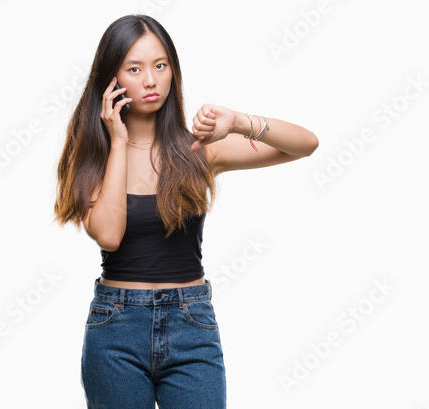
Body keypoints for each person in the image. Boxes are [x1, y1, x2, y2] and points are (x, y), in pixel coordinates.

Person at [53, 14, 318, 409]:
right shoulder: (94, 155)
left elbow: (305, 144)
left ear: (173, 71)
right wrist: (120, 143)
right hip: (116, 329)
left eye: (160, 66)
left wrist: (240, 122)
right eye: (134, 68)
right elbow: (108, 234)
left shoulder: (196, 149)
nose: (150, 80)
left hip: (191, 322)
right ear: (111, 80)